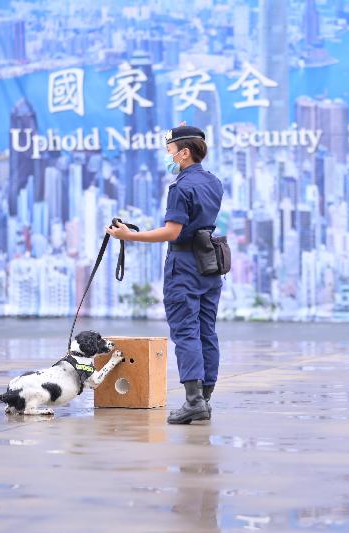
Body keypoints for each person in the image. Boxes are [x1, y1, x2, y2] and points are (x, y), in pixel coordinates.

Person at [105, 125, 223, 425]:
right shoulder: (213, 182)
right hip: (209, 264)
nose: (168, 155)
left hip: (184, 266)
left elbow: (173, 231)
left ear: (184, 152)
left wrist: (129, 236)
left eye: (170, 150)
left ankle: (193, 401)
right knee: (206, 331)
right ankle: (204, 400)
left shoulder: (181, 187)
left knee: (186, 332)